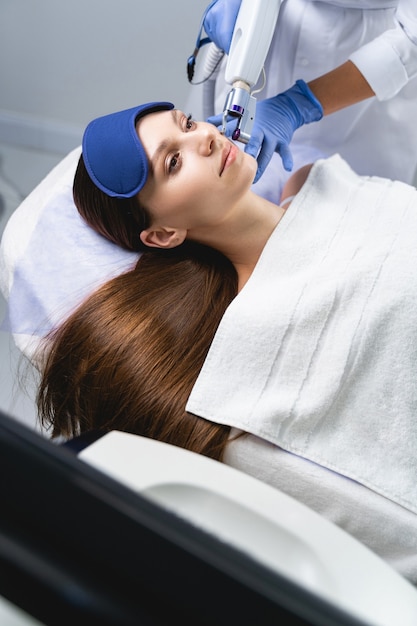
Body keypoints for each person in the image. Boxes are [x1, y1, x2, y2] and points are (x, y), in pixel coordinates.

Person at [37, 101, 417, 584]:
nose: (205, 139)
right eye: (173, 162)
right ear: (163, 234)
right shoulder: (256, 339)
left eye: (188, 123)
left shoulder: (316, 181)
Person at [188, 0, 417, 202]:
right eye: (185, 124)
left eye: (188, 124)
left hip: (372, 63)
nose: (204, 135)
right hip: (269, 22)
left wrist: (299, 105)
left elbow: (412, 40)